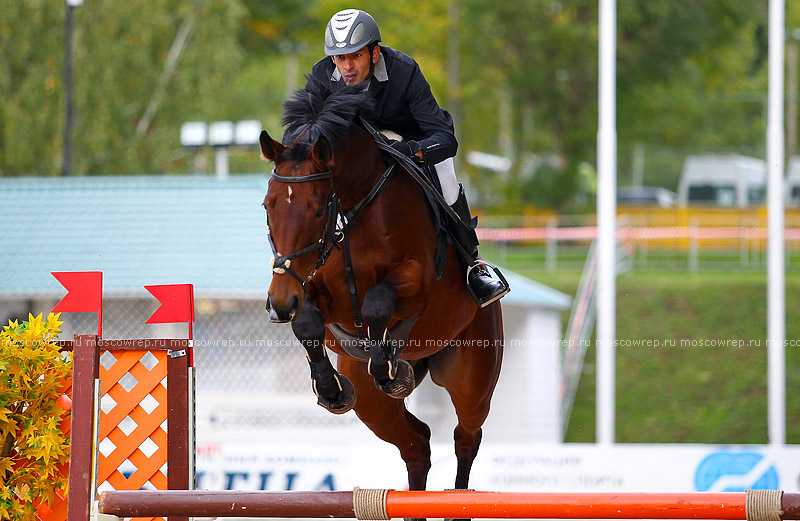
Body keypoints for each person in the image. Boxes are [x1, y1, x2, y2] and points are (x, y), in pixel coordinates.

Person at [306, 8, 509, 307]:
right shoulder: (323, 75)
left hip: (412, 140)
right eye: (340, 58)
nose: (346, 66)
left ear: (374, 54)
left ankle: (472, 264)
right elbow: (308, 130)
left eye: (355, 56)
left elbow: (445, 138)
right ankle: (304, 264)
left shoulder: (403, 69)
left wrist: (411, 151)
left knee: (447, 177)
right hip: (360, 149)